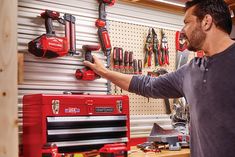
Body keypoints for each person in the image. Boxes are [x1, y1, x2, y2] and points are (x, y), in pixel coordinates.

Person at [84, 0, 235, 156]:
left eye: (187, 23)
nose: (183, 30)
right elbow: (148, 85)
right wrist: (104, 72)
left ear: (206, 22)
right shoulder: (191, 70)